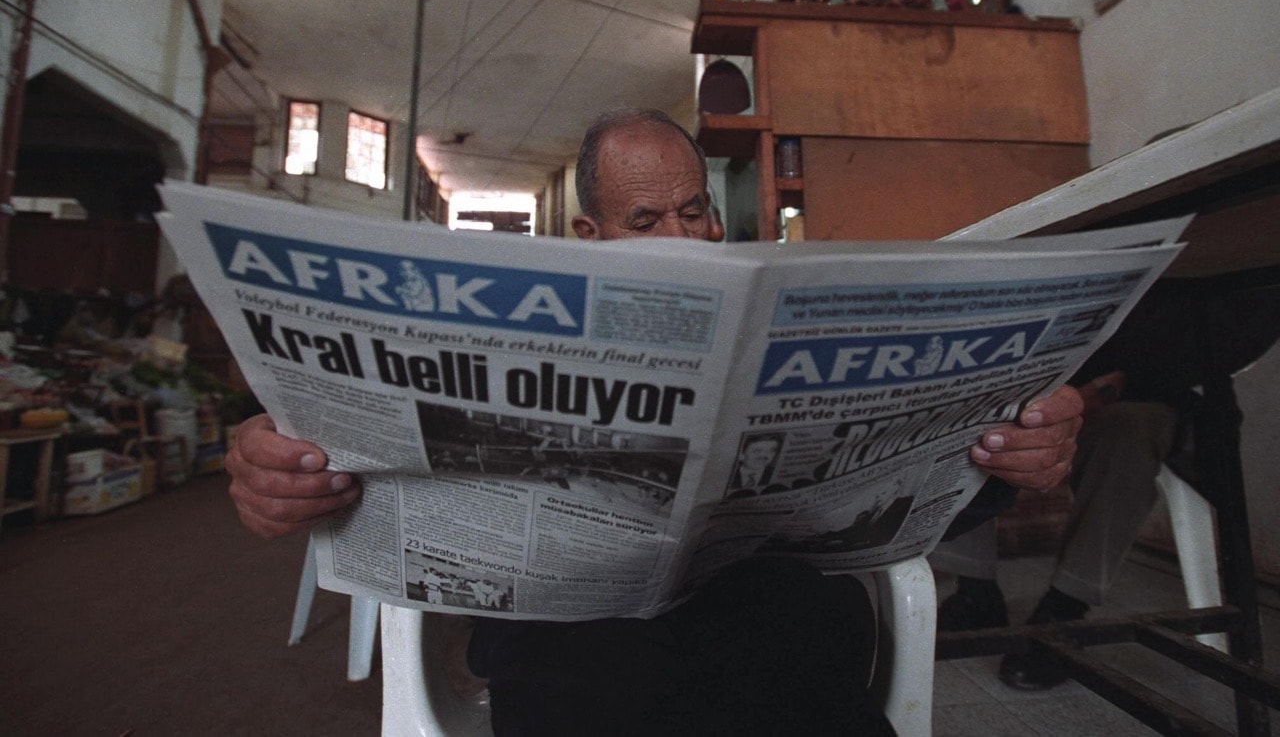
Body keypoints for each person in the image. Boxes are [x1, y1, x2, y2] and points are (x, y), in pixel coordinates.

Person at [226, 108, 1085, 735]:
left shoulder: (776, 316)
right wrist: (282, 463)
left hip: (790, 678)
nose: (681, 237)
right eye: (645, 221)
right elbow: (354, 465)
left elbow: (917, 491)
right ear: (590, 233)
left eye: (694, 211)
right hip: (582, 689)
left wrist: (1020, 447)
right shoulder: (512, 341)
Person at [931, 281, 1280, 692]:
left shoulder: (1238, 249)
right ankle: (976, 591)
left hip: (1159, 398)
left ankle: (1064, 608)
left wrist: (1115, 384)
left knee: (1126, 428)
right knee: (975, 419)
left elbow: (1221, 344)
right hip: (1069, 386)